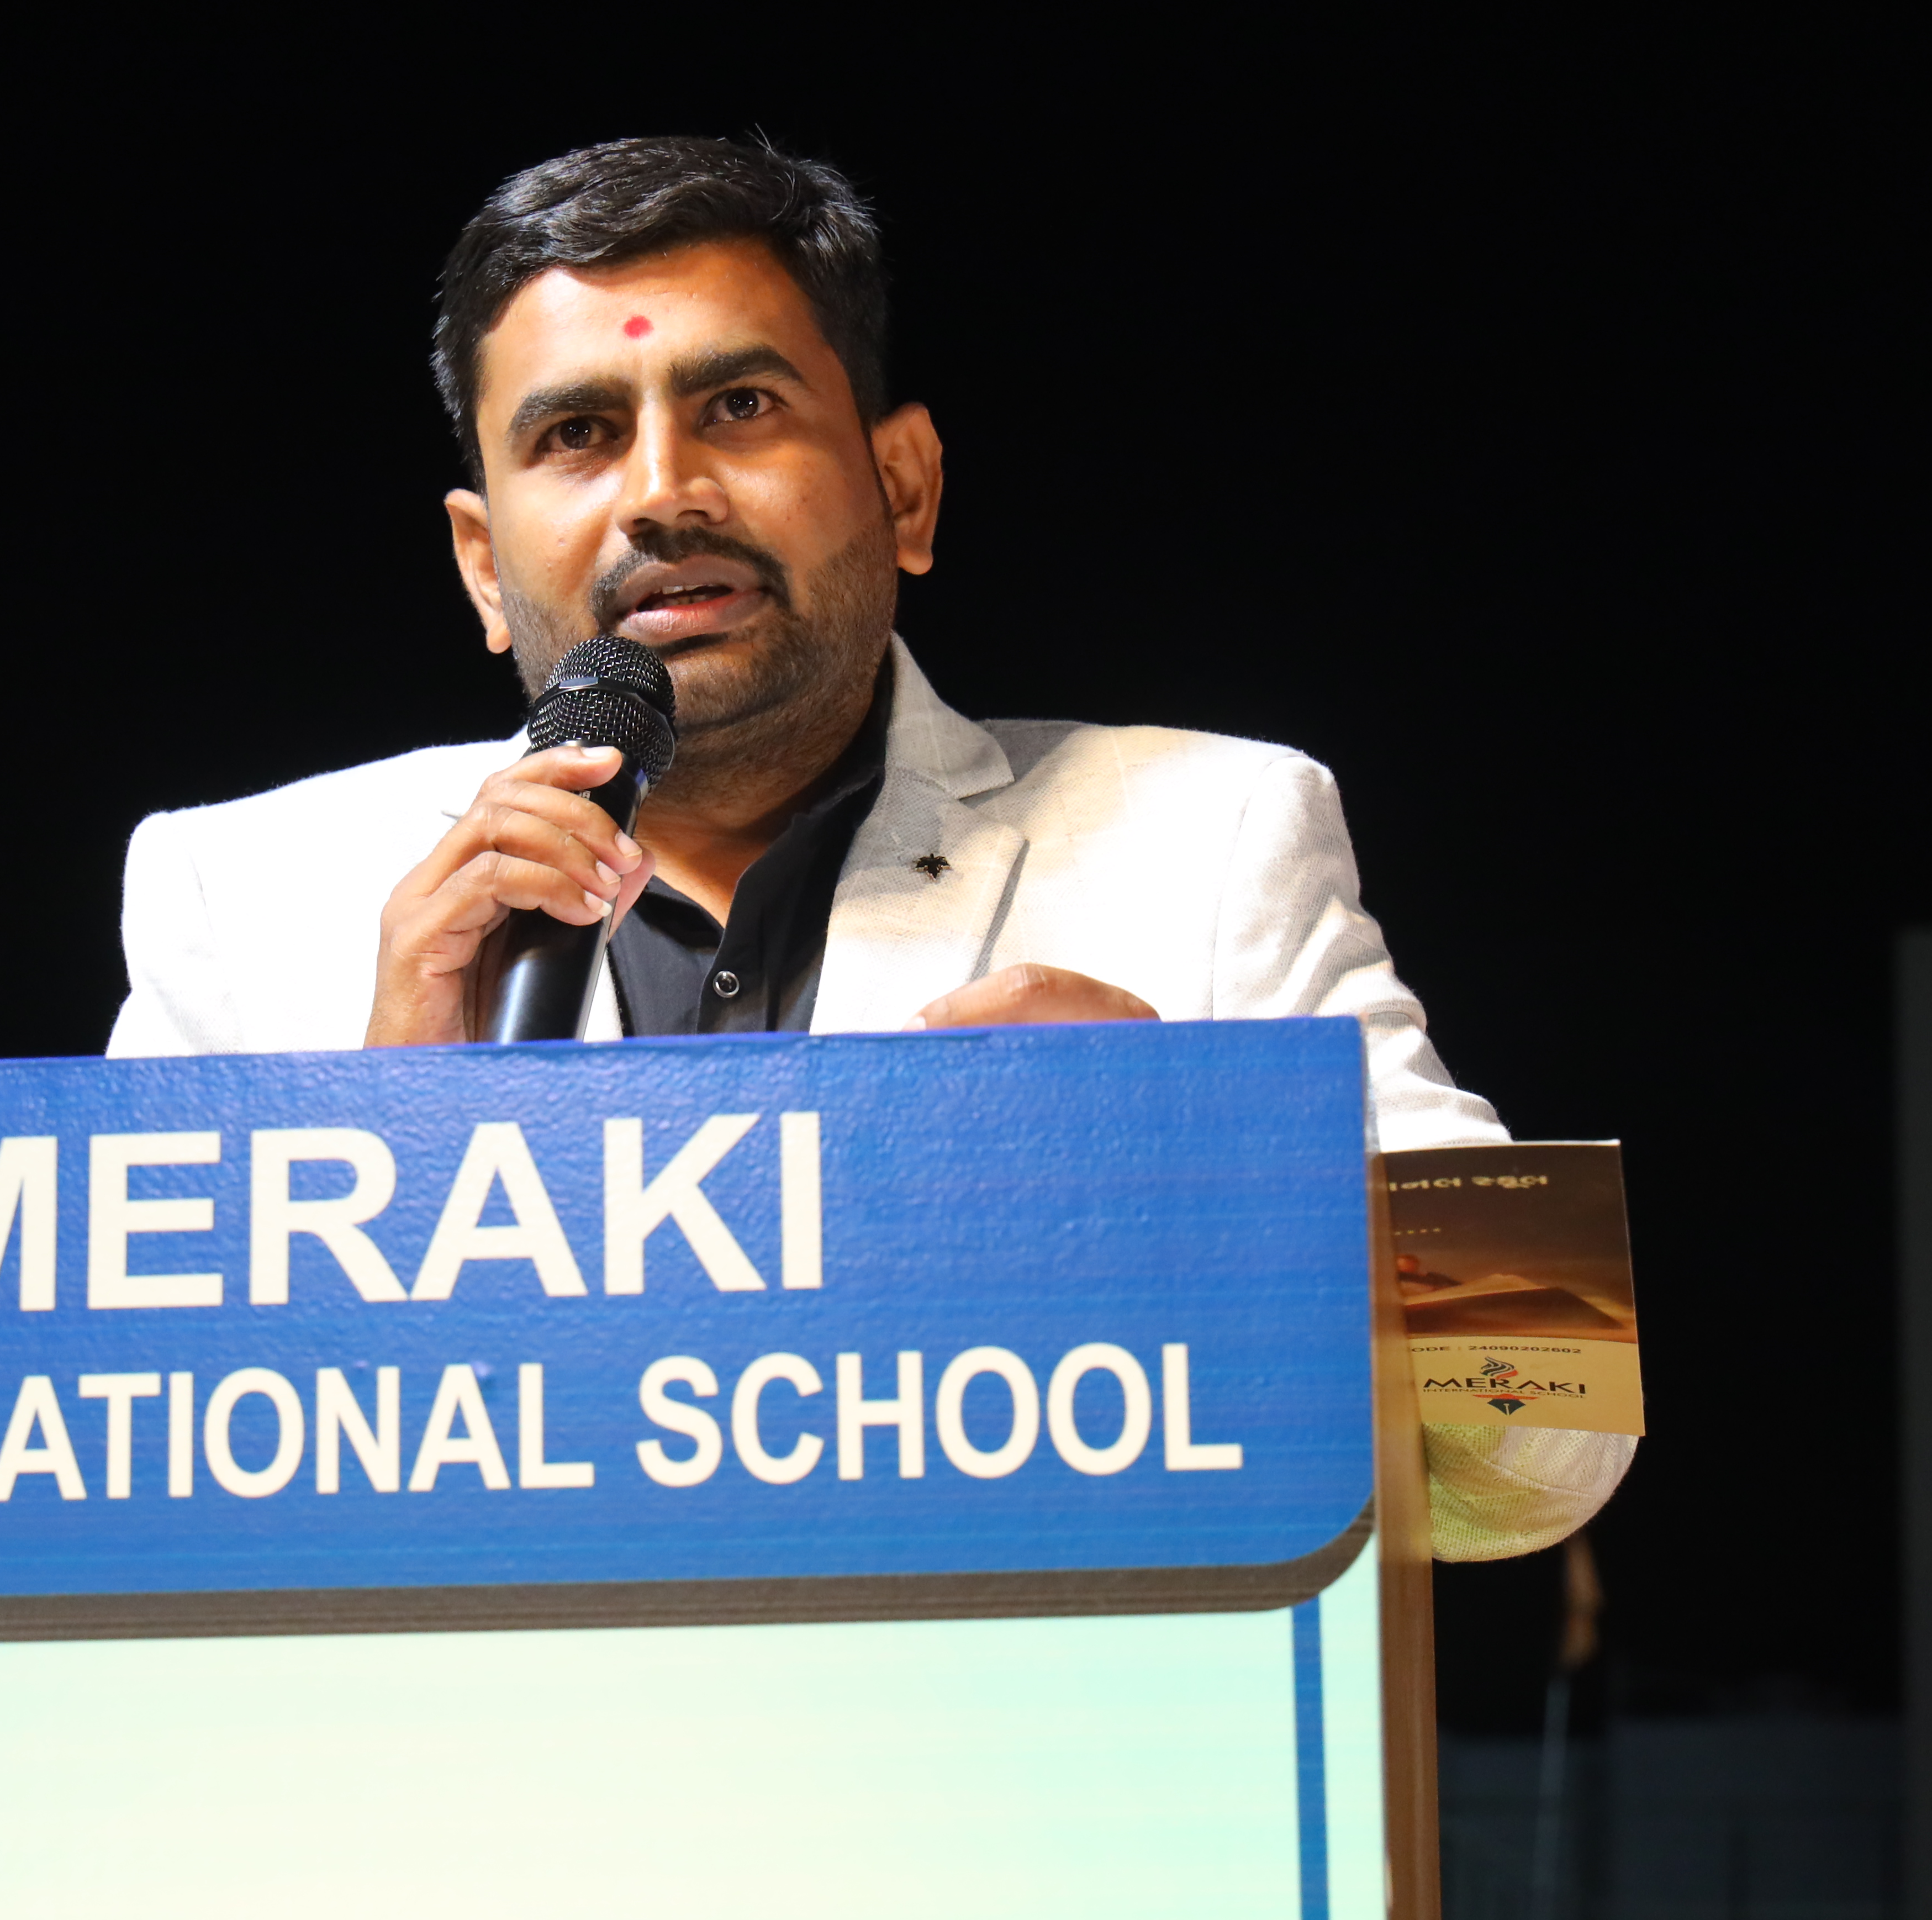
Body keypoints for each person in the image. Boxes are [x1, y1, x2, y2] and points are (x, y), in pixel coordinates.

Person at [107, 134, 1624, 1557]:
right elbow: (99, 1487)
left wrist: (1210, 1186)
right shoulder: (244, 897)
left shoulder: (1211, 832)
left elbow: (1550, 1424)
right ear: (482, 565)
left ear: (904, 489)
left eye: (739, 407)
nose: (663, 494)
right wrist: (366, 1158)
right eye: (578, 435)